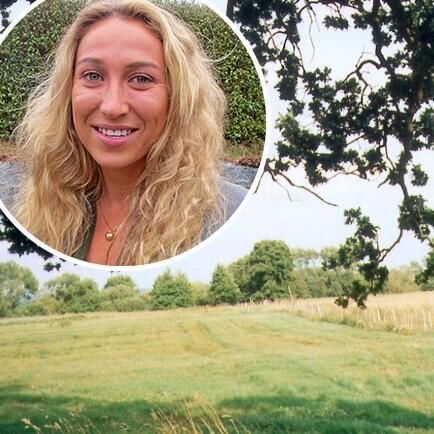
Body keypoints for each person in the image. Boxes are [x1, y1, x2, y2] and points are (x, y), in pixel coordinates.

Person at [12, 0, 247, 266]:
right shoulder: (43, 206)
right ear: (67, 91)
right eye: (93, 76)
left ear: (177, 98)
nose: (112, 107)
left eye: (141, 79)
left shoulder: (231, 216)